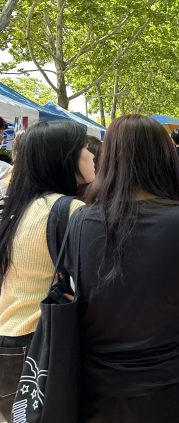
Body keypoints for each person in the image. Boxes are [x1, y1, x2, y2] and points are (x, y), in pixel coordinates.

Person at [70, 115, 179, 422]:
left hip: (97, 387)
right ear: (164, 158)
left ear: (110, 158)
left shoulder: (79, 219)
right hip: (169, 383)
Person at [0, 120, 94, 420]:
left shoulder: (23, 204)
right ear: (66, 159)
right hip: (41, 344)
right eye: (84, 150)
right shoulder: (70, 210)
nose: (92, 156)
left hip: (11, 339)